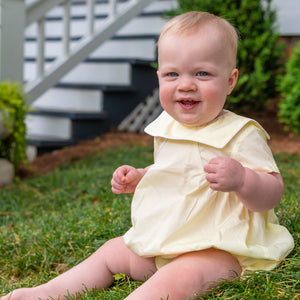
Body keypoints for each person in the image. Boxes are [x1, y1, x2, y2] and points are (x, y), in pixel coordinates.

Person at [1, 11, 294, 300]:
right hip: (168, 240)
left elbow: (272, 193)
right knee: (113, 251)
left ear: (230, 81)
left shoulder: (240, 134)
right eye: (172, 74)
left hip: (221, 248)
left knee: (180, 277)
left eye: (202, 73)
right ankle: (45, 293)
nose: (186, 84)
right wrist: (142, 177)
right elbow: (175, 172)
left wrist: (243, 179)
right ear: (159, 77)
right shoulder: (167, 127)